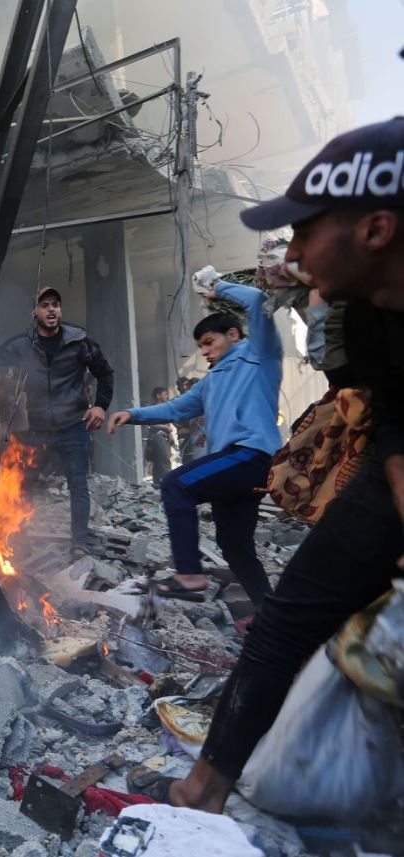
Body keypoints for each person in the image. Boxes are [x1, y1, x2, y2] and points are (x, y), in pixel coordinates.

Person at [150, 117, 404, 813]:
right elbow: (394, 419)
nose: (291, 253)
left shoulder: (255, 352)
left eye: (304, 232)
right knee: (289, 614)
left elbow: (258, 304)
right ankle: (203, 789)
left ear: (376, 230)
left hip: (247, 459)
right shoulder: (365, 322)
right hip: (385, 461)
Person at [107, 278, 282, 607]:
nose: (204, 351)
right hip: (234, 466)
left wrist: (218, 287)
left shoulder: (261, 355)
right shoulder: (210, 381)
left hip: (253, 455)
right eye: (200, 346)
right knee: (235, 548)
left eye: (209, 342)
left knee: (176, 484)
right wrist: (131, 414)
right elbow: (175, 409)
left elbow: (258, 300)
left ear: (233, 334)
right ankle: (272, 618)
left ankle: (189, 575)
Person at [0, 286, 115, 557]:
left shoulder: (80, 341)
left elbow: (105, 373)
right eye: (45, 305)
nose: (51, 310)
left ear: (60, 310)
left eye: (55, 304)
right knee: (24, 484)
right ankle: (18, 540)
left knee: (78, 486)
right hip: (39, 430)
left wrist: (100, 407)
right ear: (34, 312)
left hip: (74, 427)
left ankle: (79, 542)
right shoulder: (22, 345)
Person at [145, 386, 178, 487]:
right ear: (158, 396)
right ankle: (166, 485)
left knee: (161, 462)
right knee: (164, 463)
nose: (167, 396)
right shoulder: (153, 408)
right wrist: (165, 427)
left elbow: (167, 423)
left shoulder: (164, 408)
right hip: (157, 437)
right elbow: (150, 423)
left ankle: (159, 485)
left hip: (164, 437)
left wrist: (170, 435)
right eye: (165, 394)